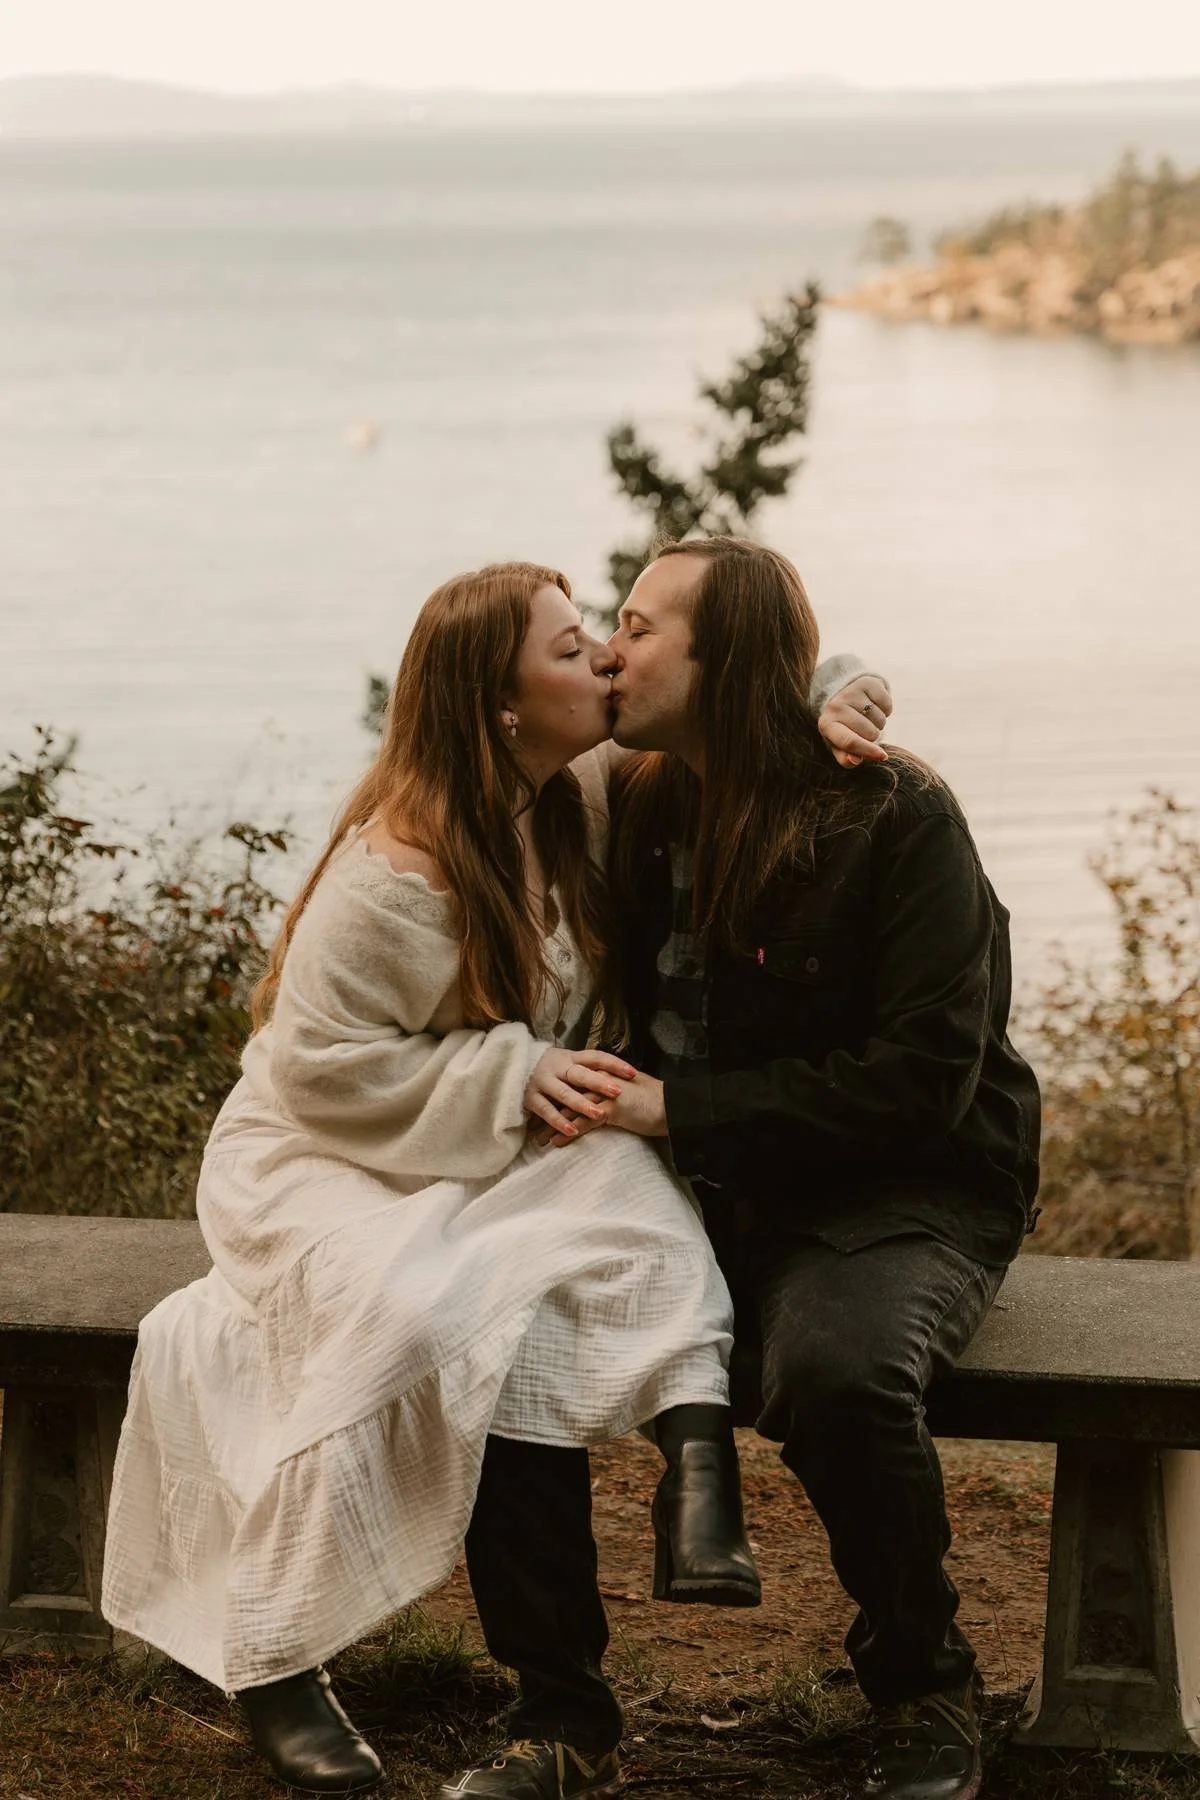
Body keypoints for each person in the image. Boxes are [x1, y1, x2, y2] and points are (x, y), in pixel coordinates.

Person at [101, 559, 886, 1797]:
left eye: (604, 641)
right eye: (576, 650)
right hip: (319, 1152)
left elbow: (751, 696)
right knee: (422, 1306)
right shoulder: (390, 871)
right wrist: (511, 1078)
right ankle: (275, 1653)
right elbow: (319, 1072)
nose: (609, 662)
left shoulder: (578, 790)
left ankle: (697, 1465)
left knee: (625, 1172)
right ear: (502, 705)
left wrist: (835, 692)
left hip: (475, 1134)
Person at [449, 538, 1039, 1800]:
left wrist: (683, 1111)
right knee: (494, 1313)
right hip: (704, 1183)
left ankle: (926, 1687)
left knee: (834, 1371)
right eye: (611, 624)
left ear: (728, 665)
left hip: (903, 1190)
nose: (612, 649)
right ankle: (559, 1716)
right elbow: (470, 769)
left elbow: (925, 1084)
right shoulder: (639, 792)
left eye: (642, 626)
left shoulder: (895, 811)